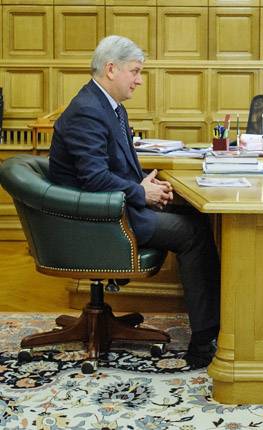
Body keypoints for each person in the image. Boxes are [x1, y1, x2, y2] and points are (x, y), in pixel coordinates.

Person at [49, 35, 220, 370]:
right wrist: (141, 193)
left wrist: (146, 185)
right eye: (136, 71)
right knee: (194, 233)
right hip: (95, 220)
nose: (139, 80)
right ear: (111, 69)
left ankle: (212, 325)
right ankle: (204, 341)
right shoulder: (87, 112)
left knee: (196, 214)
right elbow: (94, 179)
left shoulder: (109, 107)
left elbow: (116, 167)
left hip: (112, 206)